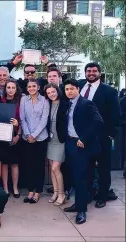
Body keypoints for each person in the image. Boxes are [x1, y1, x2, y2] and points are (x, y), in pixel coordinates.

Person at [79, 62, 121, 208]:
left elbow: (116, 115)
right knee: (87, 167)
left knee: (103, 168)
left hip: (102, 137)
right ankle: (89, 193)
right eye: (88, 71)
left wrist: (111, 135)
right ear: (85, 73)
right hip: (83, 136)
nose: (91, 73)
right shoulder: (79, 86)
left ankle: (102, 196)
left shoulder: (109, 91)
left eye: (94, 71)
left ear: (99, 73)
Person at [63, 79, 103, 225]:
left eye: (72, 89)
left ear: (78, 89)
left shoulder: (86, 103)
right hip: (70, 143)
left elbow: (98, 121)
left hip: (82, 145)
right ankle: (78, 204)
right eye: (67, 89)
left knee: (81, 179)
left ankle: (81, 211)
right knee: (74, 176)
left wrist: (84, 138)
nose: (69, 91)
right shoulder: (68, 103)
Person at [20, 79, 49, 204]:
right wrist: (28, 134)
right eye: (29, 86)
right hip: (27, 138)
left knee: (39, 166)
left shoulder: (45, 100)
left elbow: (44, 119)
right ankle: (30, 191)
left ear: (38, 87)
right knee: (29, 165)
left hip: (40, 138)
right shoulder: (23, 100)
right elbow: (22, 118)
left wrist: (34, 135)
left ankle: (37, 192)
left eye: (34, 86)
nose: (31, 88)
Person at [44, 83, 69, 205]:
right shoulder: (47, 104)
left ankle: (62, 194)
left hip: (60, 140)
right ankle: (55, 192)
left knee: (56, 168)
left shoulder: (65, 104)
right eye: (48, 93)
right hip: (50, 140)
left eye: (53, 92)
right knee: (51, 170)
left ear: (57, 91)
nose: (51, 94)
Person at [1, 79, 22, 197]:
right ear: (5, 89)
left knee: (14, 164)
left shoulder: (20, 101)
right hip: (2, 136)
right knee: (4, 164)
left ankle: (15, 188)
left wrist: (18, 134)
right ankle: (5, 188)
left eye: (13, 87)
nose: (11, 90)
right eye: (8, 87)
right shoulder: (1, 101)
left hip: (15, 136)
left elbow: (23, 120)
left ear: (16, 89)